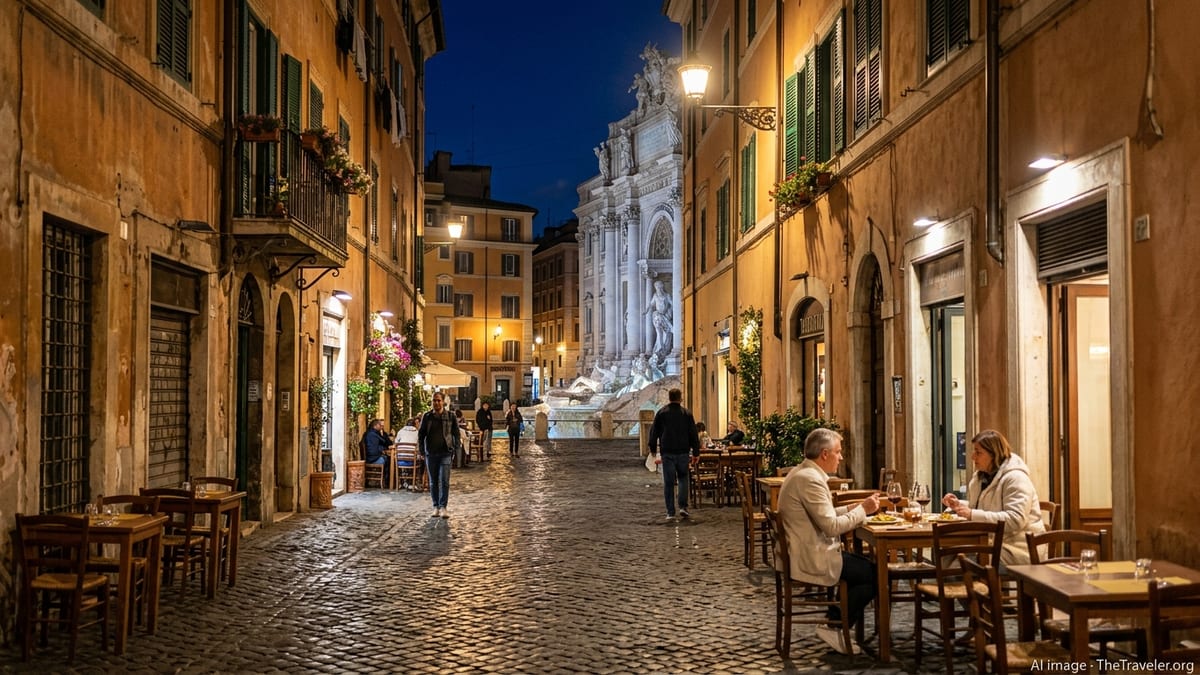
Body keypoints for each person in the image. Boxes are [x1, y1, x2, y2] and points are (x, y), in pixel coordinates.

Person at [778, 428, 880, 655]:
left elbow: (824, 514)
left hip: (808, 548)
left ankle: (836, 622)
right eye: (838, 452)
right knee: (875, 575)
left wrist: (852, 508)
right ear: (824, 454)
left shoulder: (804, 473)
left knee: (866, 568)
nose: (841, 457)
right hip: (811, 555)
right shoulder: (810, 480)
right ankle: (833, 626)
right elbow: (831, 526)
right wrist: (863, 509)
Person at [941, 429, 1046, 566]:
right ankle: (956, 587)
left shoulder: (1016, 478)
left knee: (961, 565)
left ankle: (978, 587)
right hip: (990, 542)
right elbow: (982, 508)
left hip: (1018, 548)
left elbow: (1015, 519)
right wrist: (959, 505)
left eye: (978, 452)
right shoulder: (980, 477)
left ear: (994, 454)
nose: (973, 457)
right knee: (946, 554)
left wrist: (972, 514)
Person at [648, 388, 701, 522]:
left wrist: (653, 448)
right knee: (683, 479)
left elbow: (654, 431)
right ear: (680, 398)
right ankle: (683, 507)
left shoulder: (661, 413)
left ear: (669, 398)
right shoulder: (686, 414)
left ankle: (670, 512)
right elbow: (693, 434)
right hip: (683, 451)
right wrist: (696, 452)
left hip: (668, 452)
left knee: (669, 482)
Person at [417, 391, 460, 518]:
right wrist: (422, 450)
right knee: (433, 481)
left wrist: (456, 449)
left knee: (444, 481)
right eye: (434, 400)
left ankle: (443, 507)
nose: (436, 403)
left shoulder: (450, 416)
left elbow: (456, 433)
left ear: (443, 402)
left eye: (438, 400)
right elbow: (421, 434)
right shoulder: (427, 416)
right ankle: (435, 506)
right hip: (431, 453)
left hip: (446, 453)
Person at [644, 279, 672, 355]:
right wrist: (646, 311)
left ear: (662, 287)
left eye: (659, 286)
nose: (658, 288)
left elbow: (672, 304)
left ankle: (665, 349)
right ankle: (660, 348)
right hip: (657, 315)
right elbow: (651, 304)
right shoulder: (655, 295)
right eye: (656, 287)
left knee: (667, 333)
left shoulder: (667, 295)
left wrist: (669, 311)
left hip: (665, 316)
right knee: (659, 332)